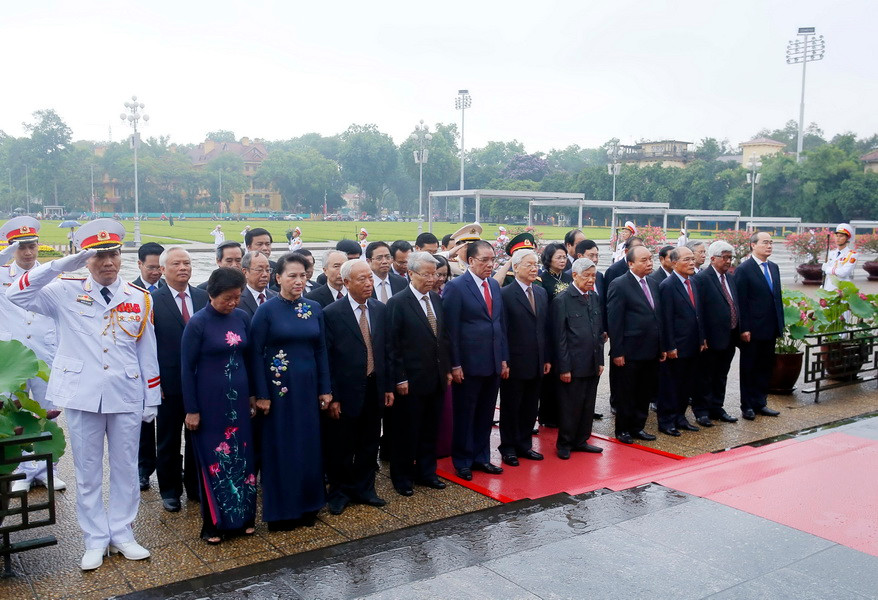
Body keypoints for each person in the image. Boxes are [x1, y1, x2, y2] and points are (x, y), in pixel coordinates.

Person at [6, 219, 159, 570]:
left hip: (125, 392)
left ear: (121, 257)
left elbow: (146, 351)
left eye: (113, 255)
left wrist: (152, 397)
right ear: (86, 259)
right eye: (99, 256)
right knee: (88, 471)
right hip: (82, 393)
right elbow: (17, 293)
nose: (108, 262)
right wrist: (62, 264)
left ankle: (122, 533)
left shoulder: (139, 297)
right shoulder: (63, 288)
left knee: (124, 467)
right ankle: (94, 539)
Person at [250, 253, 331, 530]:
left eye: (303, 275)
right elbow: (255, 352)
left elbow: (320, 350)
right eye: (292, 276)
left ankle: (309, 506)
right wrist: (261, 393)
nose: (299, 281)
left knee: (309, 446)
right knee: (281, 449)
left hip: (308, 390)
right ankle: (282, 512)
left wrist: (325, 388)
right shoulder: (267, 311)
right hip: (279, 392)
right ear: (278, 278)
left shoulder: (313, 308)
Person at [181, 267, 257, 544]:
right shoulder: (198, 323)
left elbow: (249, 358)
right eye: (228, 298)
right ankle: (213, 525)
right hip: (210, 404)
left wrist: (252, 395)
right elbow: (186, 369)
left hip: (239, 400)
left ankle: (244, 519)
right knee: (215, 461)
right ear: (212, 294)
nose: (233, 303)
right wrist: (191, 408)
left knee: (243, 459)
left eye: (237, 297)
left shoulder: (242, 317)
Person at [322, 261, 393, 514]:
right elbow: (327, 358)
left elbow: (386, 351)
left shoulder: (380, 309)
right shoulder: (331, 313)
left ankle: (365, 488)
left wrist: (388, 387)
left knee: (369, 441)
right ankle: (340, 492)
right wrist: (334, 396)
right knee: (341, 444)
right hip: (346, 389)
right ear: (347, 282)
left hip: (374, 386)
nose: (368, 284)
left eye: (370, 279)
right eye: (361, 279)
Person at [0, 218, 64, 493]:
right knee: (16, 414)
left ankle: (49, 469)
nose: (27, 252)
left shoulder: (53, 275)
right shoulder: (2, 275)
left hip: (45, 354)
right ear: (12, 248)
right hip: (13, 358)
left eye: (32, 246)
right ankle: (23, 471)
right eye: (21, 247)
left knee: (47, 412)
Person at [443, 240, 509, 480]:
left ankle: (482, 457)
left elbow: (499, 325)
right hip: (468, 365)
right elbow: (450, 330)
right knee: (465, 414)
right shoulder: (457, 287)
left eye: (493, 260)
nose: (490, 265)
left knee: (485, 414)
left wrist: (503, 359)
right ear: (470, 261)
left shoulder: (493, 285)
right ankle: (462, 460)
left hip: (492, 362)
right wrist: (455, 364)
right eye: (484, 260)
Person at [386, 252, 451, 495]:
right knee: (406, 431)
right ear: (410, 274)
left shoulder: (435, 299)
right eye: (426, 274)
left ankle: (426, 472)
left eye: (434, 273)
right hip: (410, 380)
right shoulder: (398, 302)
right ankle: (402, 477)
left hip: (435, 377)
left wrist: (446, 369)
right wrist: (400, 377)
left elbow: (442, 338)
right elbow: (393, 345)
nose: (432, 279)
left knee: (429, 429)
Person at [151, 247, 208, 512]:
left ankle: (196, 487)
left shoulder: (202, 296)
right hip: (169, 384)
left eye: (187, 263)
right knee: (169, 439)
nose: (183, 267)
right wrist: (154, 382)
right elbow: (148, 346)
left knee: (198, 437)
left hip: (199, 382)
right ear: (163, 270)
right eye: (176, 264)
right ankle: (170, 490)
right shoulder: (151, 300)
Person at [607, 245, 665, 444]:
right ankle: (623, 429)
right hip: (630, 350)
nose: (649, 263)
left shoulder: (654, 283)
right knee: (627, 393)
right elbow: (615, 321)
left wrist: (661, 346)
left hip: (651, 349)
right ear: (630, 263)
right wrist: (618, 351)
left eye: (650, 259)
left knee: (644, 392)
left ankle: (638, 427)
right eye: (644, 260)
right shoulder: (619, 284)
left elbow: (658, 316)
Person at [498, 248, 550, 465]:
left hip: (537, 360)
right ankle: (508, 446)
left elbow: (544, 328)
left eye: (535, 263)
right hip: (515, 361)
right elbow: (502, 330)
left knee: (530, 406)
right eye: (528, 264)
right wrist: (505, 360)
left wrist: (547, 358)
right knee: (512, 406)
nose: (533, 268)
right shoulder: (505, 294)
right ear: (516, 267)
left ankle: (524, 444)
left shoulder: (540, 292)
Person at [553, 258, 605, 458]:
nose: (591, 280)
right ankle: (565, 443)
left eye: (593, 276)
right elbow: (560, 337)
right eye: (587, 276)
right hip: (573, 364)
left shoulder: (593, 297)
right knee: (570, 406)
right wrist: (564, 367)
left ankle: (582, 440)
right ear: (574, 275)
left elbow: (597, 332)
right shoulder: (562, 300)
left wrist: (600, 360)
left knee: (587, 404)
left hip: (591, 361)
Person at [734, 232, 783, 420]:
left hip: (770, 327)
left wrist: (780, 324)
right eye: (765, 242)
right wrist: (744, 327)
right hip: (752, 329)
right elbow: (741, 301)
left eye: (771, 242)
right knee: (749, 368)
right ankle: (747, 405)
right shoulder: (744, 269)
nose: (769, 246)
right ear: (753, 245)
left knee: (765, 367)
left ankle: (760, 402)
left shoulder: (774, 267)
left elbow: (776, 298)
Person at [657, 246, 705, 436]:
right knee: (671, 385)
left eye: (693, 259)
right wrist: (669, 346)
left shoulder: (693, 282)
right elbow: (666, 319)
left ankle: (680, 417)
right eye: (687, 259)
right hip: (676, 346)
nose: (692, 263)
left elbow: (698, 314)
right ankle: (666, 420)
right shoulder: (667, 286)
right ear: (674, 263)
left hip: (693, 344)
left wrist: (702, 338)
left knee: (687, 384)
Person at [692, 241, 740, 426]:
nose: (728, 261)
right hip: (710, 338)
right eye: (725, 257)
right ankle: (701, 410)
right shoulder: (702, 279)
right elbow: (699, 311)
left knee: (721, 374)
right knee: (705, 375)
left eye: (730, 257)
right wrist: (701, 336)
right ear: (712, 259)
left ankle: (717, 407)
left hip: (729, 335)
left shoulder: (730, 278)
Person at [133, 241, 165, 489]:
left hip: (167, 367)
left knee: (168, 424)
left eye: (159, 267)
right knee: (144, 423)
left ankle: (169, 466)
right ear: (140, 265)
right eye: (151, 267)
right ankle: (143, 468)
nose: (156, 272)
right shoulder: (130, 291)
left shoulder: (171, 289)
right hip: (140, 369)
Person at [536, 242, 572, 428]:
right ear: (548, 259)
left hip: (567, 330)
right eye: (558, 257)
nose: (562, 260)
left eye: (564, 257)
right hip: (549, 331)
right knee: (550, 376)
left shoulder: (568, 278)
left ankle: (563, 414)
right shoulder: (542, 280)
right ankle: (547, 416)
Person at [239, 252, 277, 317]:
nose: (265, 274)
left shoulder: (277, 297)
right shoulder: (238, 300)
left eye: (267, 270)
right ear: (245, 272)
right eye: (259, 270)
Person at [822, 223, 858, 291]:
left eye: (841, 236)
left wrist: (828, 269)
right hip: (828, 288)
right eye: (837, 236)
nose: (838, 238)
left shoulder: (852, 255)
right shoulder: (831, 253)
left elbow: (843, 272)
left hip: (842, 289)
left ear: (847, 238)